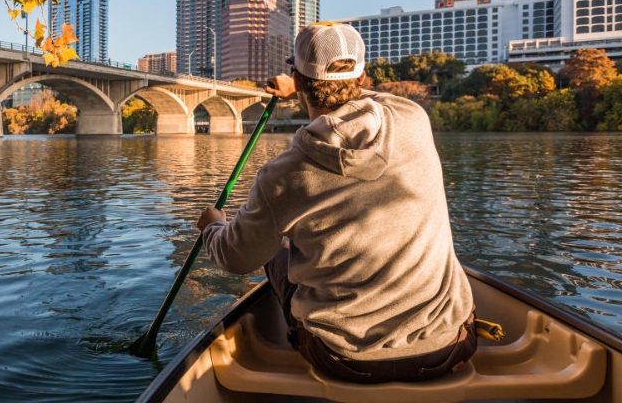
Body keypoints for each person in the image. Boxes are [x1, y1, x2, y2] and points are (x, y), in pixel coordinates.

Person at [197, 22, 476, 384]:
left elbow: (237, 258)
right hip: (450, 346)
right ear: (363, 78)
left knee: (275, 250)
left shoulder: (281, 175)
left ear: (298, 81)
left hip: (343, 359)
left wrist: (213, 228)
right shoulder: (412, 119)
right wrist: (300, 82)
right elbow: (365, 97)